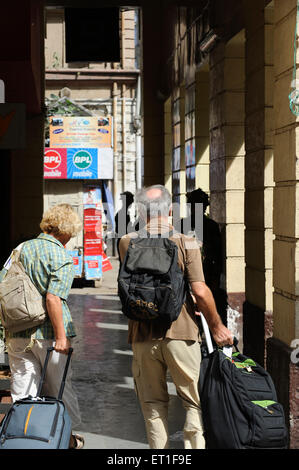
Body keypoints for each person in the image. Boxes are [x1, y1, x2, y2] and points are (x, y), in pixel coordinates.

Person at [118, 184, 233, 449]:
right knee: (192, 401)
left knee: (153, 404)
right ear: (170, 209)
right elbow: (200, 291)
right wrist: (216, 327)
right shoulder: (186, 241)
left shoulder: (127, 242)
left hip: (142, 334)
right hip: (181, 332)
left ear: (142, 210)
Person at [0, 204, 84, 449]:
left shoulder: (19, 249)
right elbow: (53, 298)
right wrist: (61, 337)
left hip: (17, 333)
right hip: (48, 335)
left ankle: (24, 439)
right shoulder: (60, 255)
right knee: (59, 390)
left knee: (22, 391)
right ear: (65, 230)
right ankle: (64, 439)